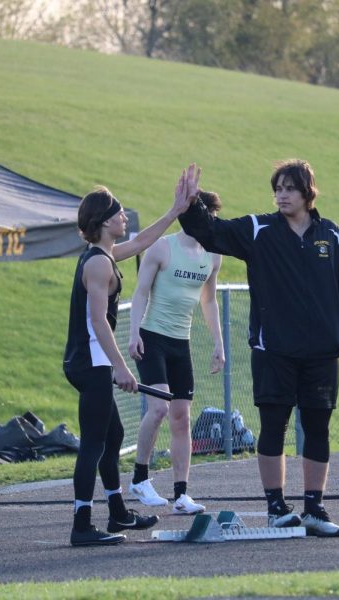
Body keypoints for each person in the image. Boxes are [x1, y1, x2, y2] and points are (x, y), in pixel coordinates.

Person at [178, 159, 339, 537]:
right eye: (277, 188)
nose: (281, 195)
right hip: (273, 350)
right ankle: (276, 508)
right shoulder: (258, 230)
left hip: (322, 353)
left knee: (318, 427)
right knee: (274, 426)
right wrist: (191, 204)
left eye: (289, 188)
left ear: (308, 192)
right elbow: (210, 232)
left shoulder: (333, 235)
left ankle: (315, 508)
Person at [63, 164, 199, 547]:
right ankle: (81, 525)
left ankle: (118, 511)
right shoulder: (96, 263)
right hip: (90, 363)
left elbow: (141, 244)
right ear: (104, 222)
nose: (125, 217)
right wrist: (121, 368)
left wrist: (175, 210)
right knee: (93, 442)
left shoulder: (105, 255)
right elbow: (97, 322)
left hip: (95, 361)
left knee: (113, 434)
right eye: (119, 212)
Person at [127, 190, 225, 514]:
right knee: (158, 410)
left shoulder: (212, 255)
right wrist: (133, 333)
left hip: (180, 343)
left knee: (182, 418)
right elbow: (140, 292)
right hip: (152, 338)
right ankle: (139, 478)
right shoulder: (162, 247)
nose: (209, 222)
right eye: (205, 215)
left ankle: (181, 495)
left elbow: (208, 300)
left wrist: (218, 343)